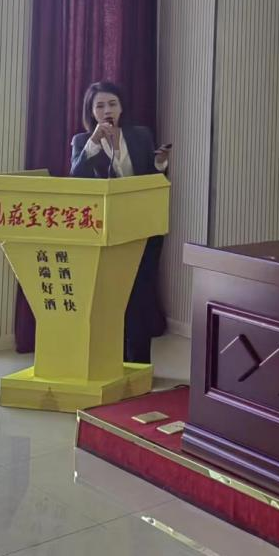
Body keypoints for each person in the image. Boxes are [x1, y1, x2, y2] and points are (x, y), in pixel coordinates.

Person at [70, 80, 171, 364]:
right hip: (106, 232)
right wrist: (94, 143)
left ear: (121, 107)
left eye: (112, 104)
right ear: (91, 112)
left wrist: (161, 163)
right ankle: (110, 362)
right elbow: (76, 178)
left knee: (141, 295)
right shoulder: (82, 141)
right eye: (100, 106)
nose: (107, 110)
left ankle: (139, 365)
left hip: (143, 228)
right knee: (110, 298)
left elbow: (150, 178)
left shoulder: (140, 136)